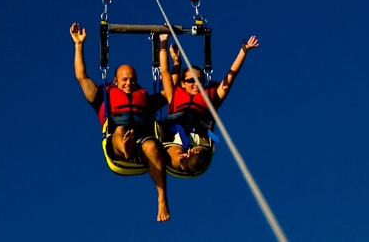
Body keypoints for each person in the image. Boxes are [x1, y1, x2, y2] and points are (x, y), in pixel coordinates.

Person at [70, 22, 171, 222]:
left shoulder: (146, 99)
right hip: (116, 148)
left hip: (143, 145)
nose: (128, 83)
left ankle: (161, 198)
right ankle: (126, 147)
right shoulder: (103, 96)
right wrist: (79, 45)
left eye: (132, 79)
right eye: (124, 79)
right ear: (115, 81)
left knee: (151, 144)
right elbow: (81, 77)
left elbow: (169, 92)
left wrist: (163, 46)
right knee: (120, 131)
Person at [158, 33, 259, 175]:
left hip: (201, 136)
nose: (195, 84)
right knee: (176, 152)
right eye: (191, 81)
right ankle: (181, 161)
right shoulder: (173, 95)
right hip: (175, 133)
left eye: (199, 80)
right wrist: (163, 41)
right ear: (183, 83)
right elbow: (164, 71)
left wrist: (243, 50)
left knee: (199, 153)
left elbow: (230, 77)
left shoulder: (211, 98)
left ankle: (193, 161)